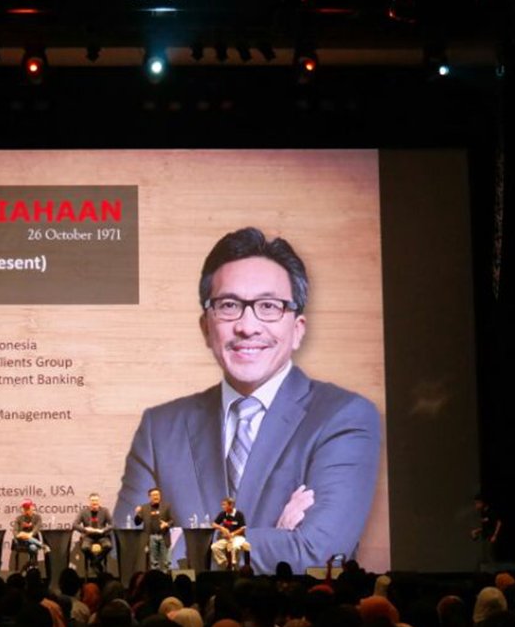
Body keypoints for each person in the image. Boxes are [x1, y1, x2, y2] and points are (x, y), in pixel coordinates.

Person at [114, 226, 381, 573]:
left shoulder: (344, 417)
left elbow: (317, 552)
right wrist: (277, 538)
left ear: (298, 329)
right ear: (206, 327)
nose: (247, 326)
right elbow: (126, 554)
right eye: (229, 306)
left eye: (269, 306)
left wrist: (183, 543)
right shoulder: (160, 428)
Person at [73, 492, 114, 575]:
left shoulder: (105, 511)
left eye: (96, 501)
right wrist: (85, 529)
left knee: (108, 546)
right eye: (93, 502)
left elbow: (112, 524)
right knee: (84, 547)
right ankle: (96, 562)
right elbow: (75, 524)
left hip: (102, 536)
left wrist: (103, 530)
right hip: (88, 536)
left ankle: (94, 563)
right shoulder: (83, 512)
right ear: (89, 502)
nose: (95, 504)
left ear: (99, 502)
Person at [135, 487, 173, 571]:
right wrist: (137, 514)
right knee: (154, 563)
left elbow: (172, 520)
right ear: (149, 497)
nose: (156, 497)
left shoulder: (166, 506)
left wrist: (167, 524)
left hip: (164, 536)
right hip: (151, 537)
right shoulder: (144, 508)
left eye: (158, 495)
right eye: (154, 495)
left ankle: (167, 577)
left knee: (167, 562)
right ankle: (155, 578)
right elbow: (137, 523)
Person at [211, 496, 251, 569]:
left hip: (238, 537)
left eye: (224, 505)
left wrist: (233, 534)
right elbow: (213, 524)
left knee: (234, 546)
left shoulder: (239, 514)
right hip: (226, 538)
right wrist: (221, 528)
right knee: (214, 547)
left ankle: (233, 564)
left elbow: (243, 528)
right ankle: (225, 563)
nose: (222, 507)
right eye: (222, 505)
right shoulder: (223, 514)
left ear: (231, 505)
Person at [12, 500, 49, 570]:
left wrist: (30, 532)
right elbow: (15, 531)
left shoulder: (37, 517)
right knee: (25, 536)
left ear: (32, 508)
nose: (26, 510)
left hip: (32, 541)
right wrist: (20, 535)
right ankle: (42, 546)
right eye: (25, 508)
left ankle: (29, 566)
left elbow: (37, 528)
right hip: (21, 541)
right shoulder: (19, 518)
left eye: (28, 508)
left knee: (33, 547)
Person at [471, 493, 502, 568]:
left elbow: (498, 522)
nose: (476, 506)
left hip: (490, 537)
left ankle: (494, 572)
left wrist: (495, 535)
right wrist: (477, 531)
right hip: (485, 536)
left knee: (490, 556)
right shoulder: (483, 513)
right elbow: (487, 526)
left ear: (482, 503)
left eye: (477, 503)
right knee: (484, 557)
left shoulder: (490, 511)